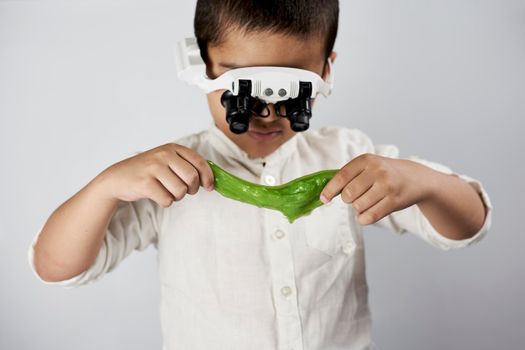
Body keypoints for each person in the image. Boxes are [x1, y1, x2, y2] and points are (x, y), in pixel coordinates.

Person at [28, 1, 493, 349]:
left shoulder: (355, 155)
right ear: (200, 65)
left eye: (294, 90)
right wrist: (104, 187)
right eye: (239, 88)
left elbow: (469, 228)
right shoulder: (165, 177)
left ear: (327, 70)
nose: (267, 113)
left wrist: (425, 182)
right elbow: (56, 268)